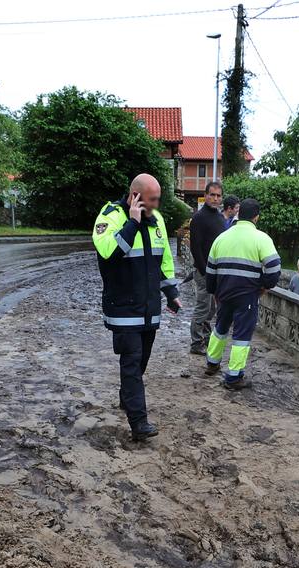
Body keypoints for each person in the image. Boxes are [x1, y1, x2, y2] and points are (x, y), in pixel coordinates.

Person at [92, 173, 180, 440]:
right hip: (123, 307)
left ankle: (127, 397)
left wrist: (171, 292)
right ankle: (139, 423)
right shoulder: (110, 216)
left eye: (157, 200)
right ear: (135, 197)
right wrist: (132, 223)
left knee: (141, 362)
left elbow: (162, 259)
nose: (156, 205)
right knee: (131, 364)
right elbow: (108, 252)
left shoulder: (158, 220)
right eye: (152, 200)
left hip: (149, 307)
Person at [204, 198, 280, 389]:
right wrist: (265, 285)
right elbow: (273, 267)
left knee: (220, 328)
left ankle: (212, 364)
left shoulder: (222, 238)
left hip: (223, 293)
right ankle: (234, 377)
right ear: (256, 217)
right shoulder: (261, 238)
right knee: (241, 336)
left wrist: (214, 291)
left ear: (238, 214)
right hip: (247, 294)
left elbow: (210, 269)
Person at [186, 181, 227, 354]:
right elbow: (195, 247)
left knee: (211, 308)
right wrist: (204, 271)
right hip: (204, 271)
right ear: (206, 195)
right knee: (202, 306)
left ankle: (206, 337)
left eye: (218, 195)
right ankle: (196, 343)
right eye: (212, 194)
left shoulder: (220, 218)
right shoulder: (199, 217)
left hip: (216, 272)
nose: (215, 198)